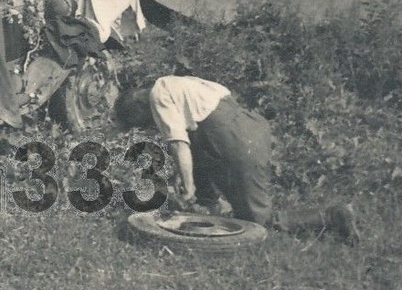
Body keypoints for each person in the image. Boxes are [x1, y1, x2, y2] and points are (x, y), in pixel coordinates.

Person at [114, 75, 360, 245]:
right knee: (206, 176)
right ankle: (207, 210)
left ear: (140, 109)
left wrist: (187, 186)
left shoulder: (158, 97)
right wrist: (185, 176)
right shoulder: (175, 83)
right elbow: (195, 131)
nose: (150, 127)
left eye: (144, 123)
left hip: (234, 139)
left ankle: (332, 216)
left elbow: (179, 143)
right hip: (248, 126)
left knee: (257, 223)